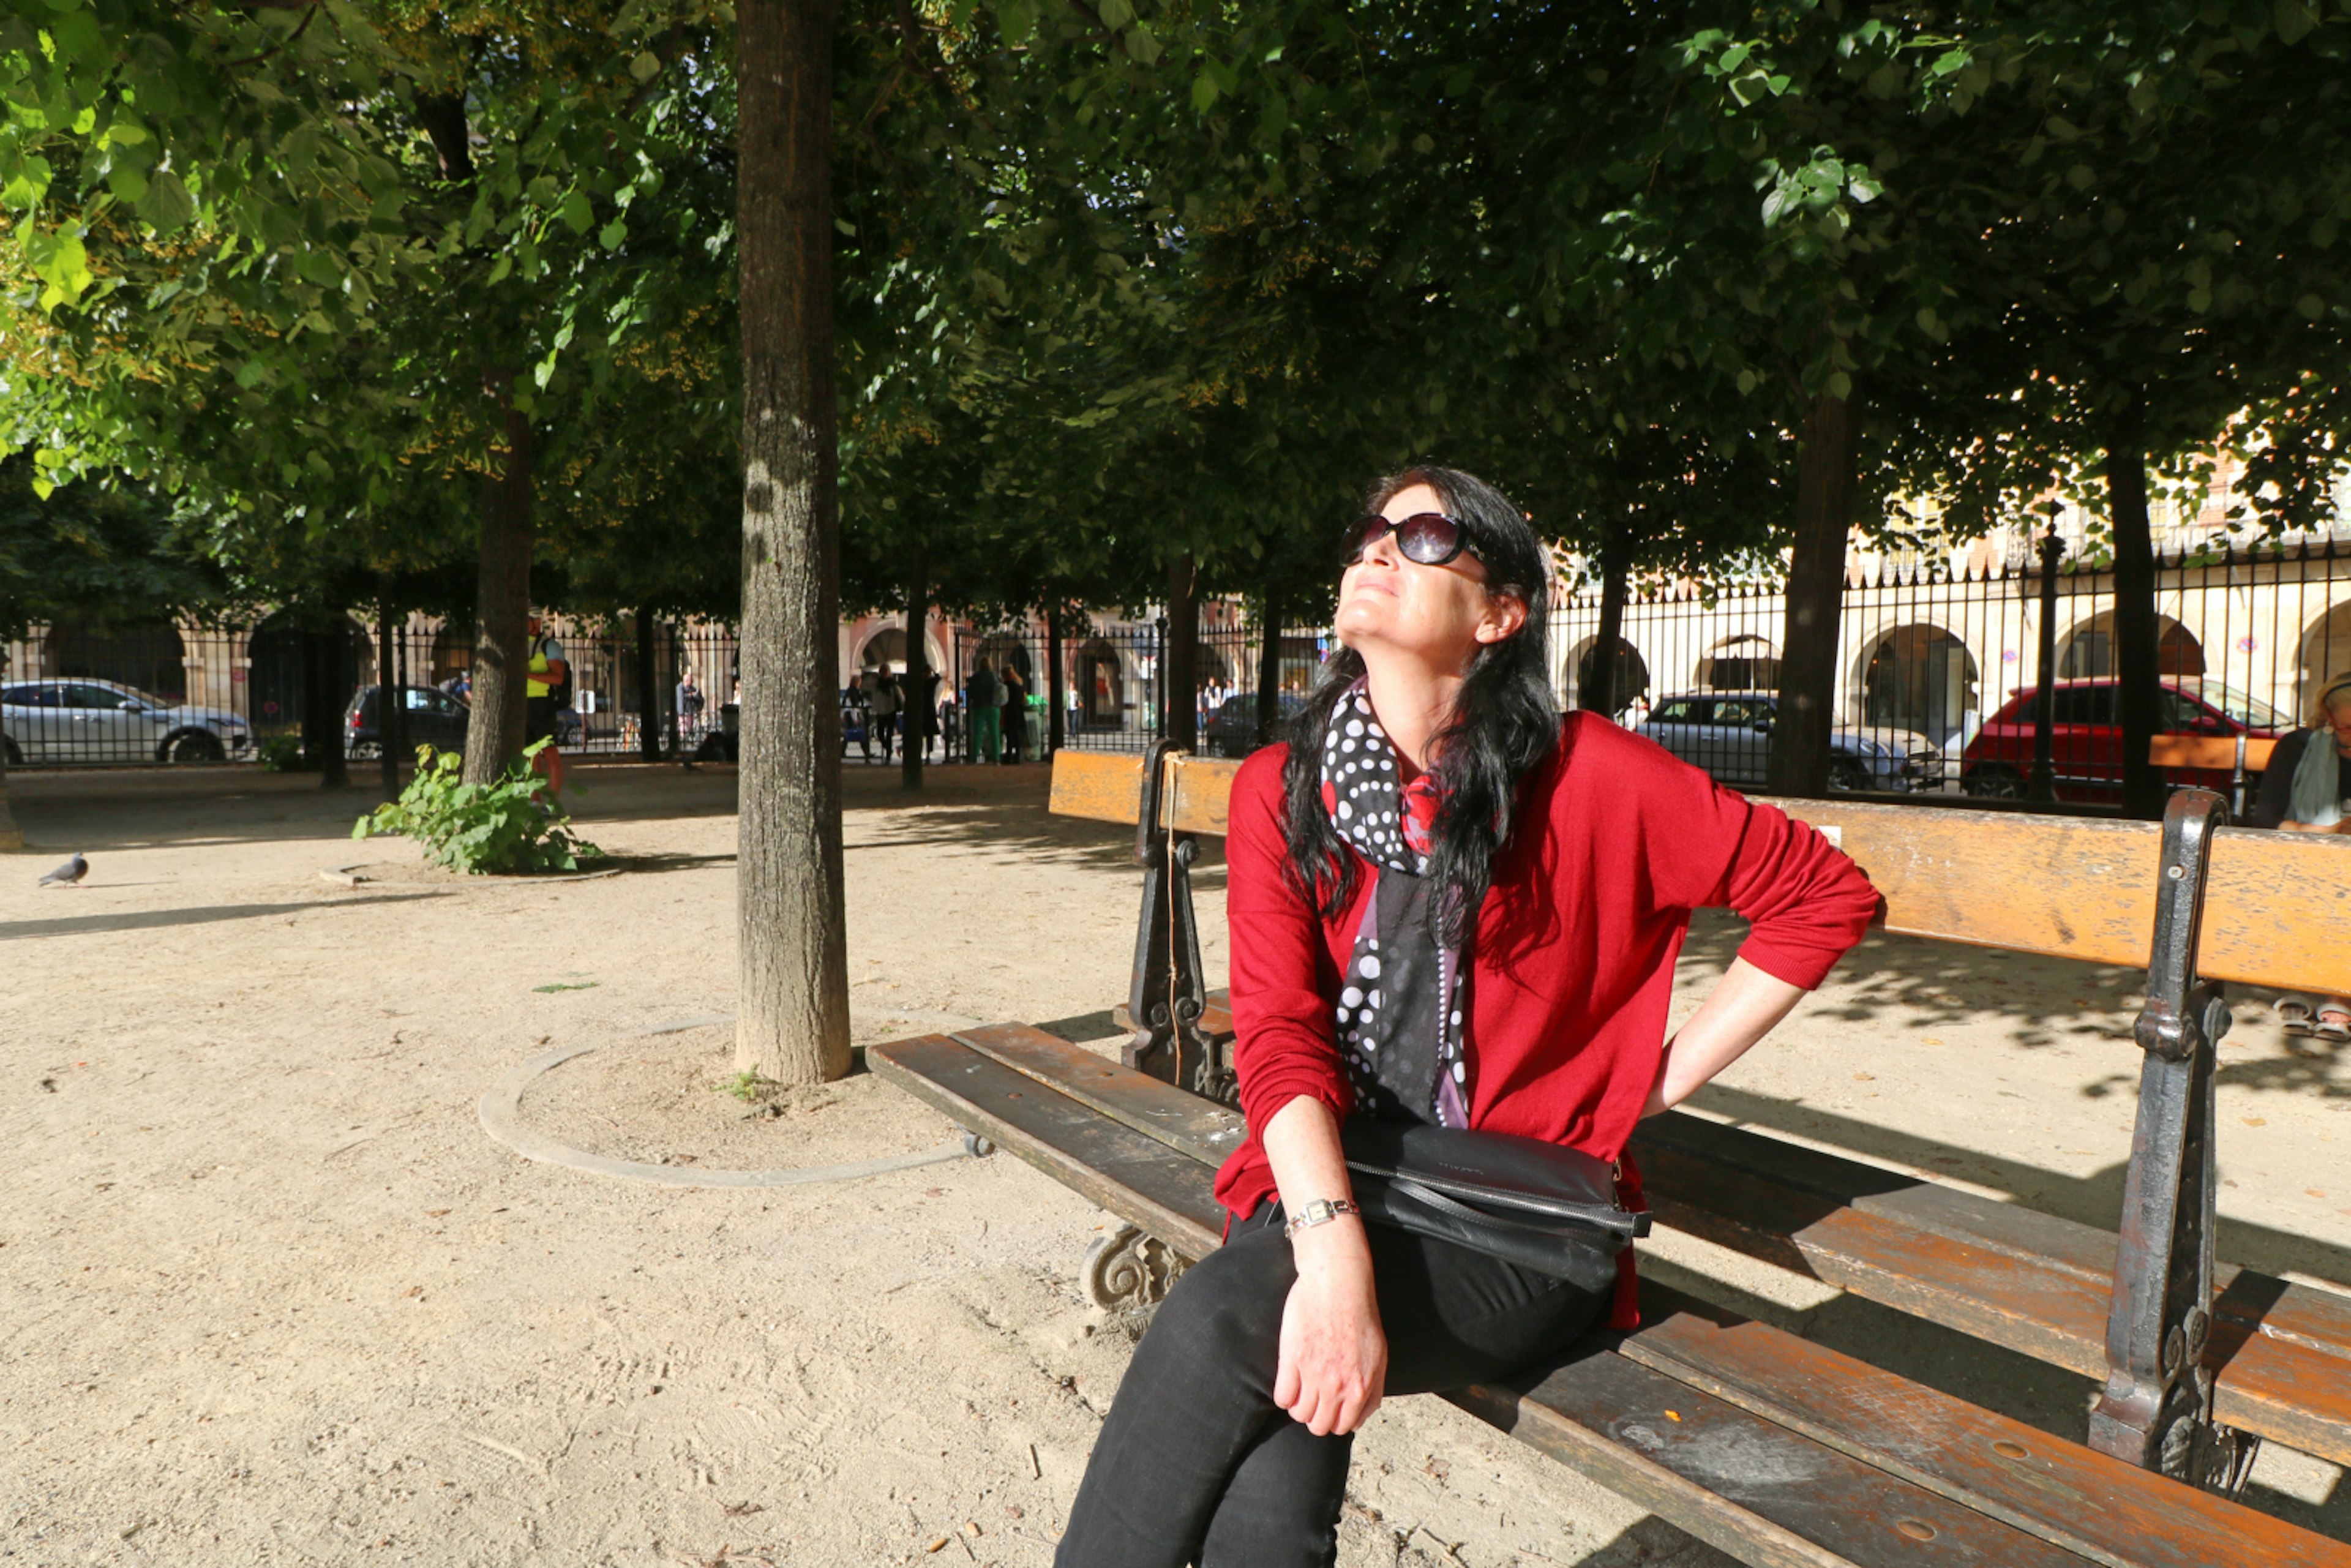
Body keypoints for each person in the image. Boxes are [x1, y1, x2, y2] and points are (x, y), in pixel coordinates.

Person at [1054, 467, 1878, 1568]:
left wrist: (1645, 1087)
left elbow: (1823, 895)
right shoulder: (1281, 790)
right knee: (1273, 1458)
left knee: (1224, 1323)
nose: (1378, 551)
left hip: (1512, 1223)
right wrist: (1336, 1258)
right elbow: (1282, 1037)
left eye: (1426, 536)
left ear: (1500, 614)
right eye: (1367, 534)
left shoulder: (1590, 775)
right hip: (1335, 1185)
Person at [2253, 673, 2351, 1041]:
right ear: (2327, 718)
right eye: (2346, 728)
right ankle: (2302, 975)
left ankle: (2337, 991)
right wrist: (2327, 834)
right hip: (2305, 853)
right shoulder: (2297, 746)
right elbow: (2265, 819)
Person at [523, 615, 568, 797]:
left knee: (550, 753)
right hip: (522, 704)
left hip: (542, 703)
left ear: (537, 621)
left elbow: (558, 678)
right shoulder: (519, 643)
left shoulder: (549, 646)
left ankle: (553, 801)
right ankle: (534, 800)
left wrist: (527, 675)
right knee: (529, 755)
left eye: (527, 619)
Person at [966, 658, 1003, 765]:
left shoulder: (977, 677)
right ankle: (997, 758)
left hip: (979, 707)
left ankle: (974, 758)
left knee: (978, 734)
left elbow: (970, 692)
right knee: (995, 733)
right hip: (994, 707)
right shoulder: (995, 676)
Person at [869, 669, 900, 763]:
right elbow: (864, 685)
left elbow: (899, 695)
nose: (884, 674)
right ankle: (888, 749)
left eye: (886, 672)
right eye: (883, 672)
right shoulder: (877, 683)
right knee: (880, 734)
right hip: (881, 711)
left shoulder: (893, 684)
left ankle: (888, 757)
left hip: (891, 710)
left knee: (889, 734)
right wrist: (871, 677)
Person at [1000, 661, 1029, 763]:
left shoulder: (1006, 685)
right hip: (1019, 711)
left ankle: (1008, 757)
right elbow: (1024, 698)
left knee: (1009, 736)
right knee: (1017, 735)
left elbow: (1003, 698)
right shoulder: (1019, 683)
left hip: (1010, 711)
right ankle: (1017, 757)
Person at [675, 668, 705, 743]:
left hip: (692, 711)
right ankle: (683, 740)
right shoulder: (680, 687)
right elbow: (681, 697)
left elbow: (699, 697)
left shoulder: (693, 688)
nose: (692, 681)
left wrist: (693, 697)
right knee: (684, 727)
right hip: (684, 711)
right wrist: (691, 695)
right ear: (686, 680)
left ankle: (689, 739)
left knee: (690, 726)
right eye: (690, 680)